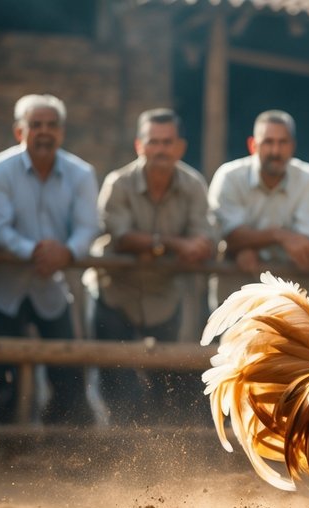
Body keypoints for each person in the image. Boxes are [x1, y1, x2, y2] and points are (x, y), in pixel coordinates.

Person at [0, 93, 97, 425]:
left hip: (51, 288)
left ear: (62, 132)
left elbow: (88, 228)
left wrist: (67, 252)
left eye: (52, 125)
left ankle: (63, 448)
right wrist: (35, 252)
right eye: (36, 125)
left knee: (67, 371)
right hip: (1, 288)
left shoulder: (81, 174)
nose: (44, 132)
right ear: (19, 132)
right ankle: (8, 446)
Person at [90, 108, 214, 425]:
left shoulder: (194, 185)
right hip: (114, 293)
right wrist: (174, 245)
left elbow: (203, 240)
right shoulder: (118, 183)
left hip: (164, 295)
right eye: (153, 142)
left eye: (167, 142)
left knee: (166, 384)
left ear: (180, 147)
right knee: (117, 383)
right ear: (139, 145)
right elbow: (119, 237)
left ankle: (158, 460)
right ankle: (115, 456)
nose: (160, 149)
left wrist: (156, 246)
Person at [207, 110, 309, 308]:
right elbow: (230, 235)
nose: (275, 150)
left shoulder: (308, 178)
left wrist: (246, 244)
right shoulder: (229, 177)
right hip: (235, 297)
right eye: (268, 142)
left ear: (292, 146)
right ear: (253, 144)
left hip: (289, 296)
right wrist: (280, 236)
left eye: (282, 142)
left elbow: (302, 243)